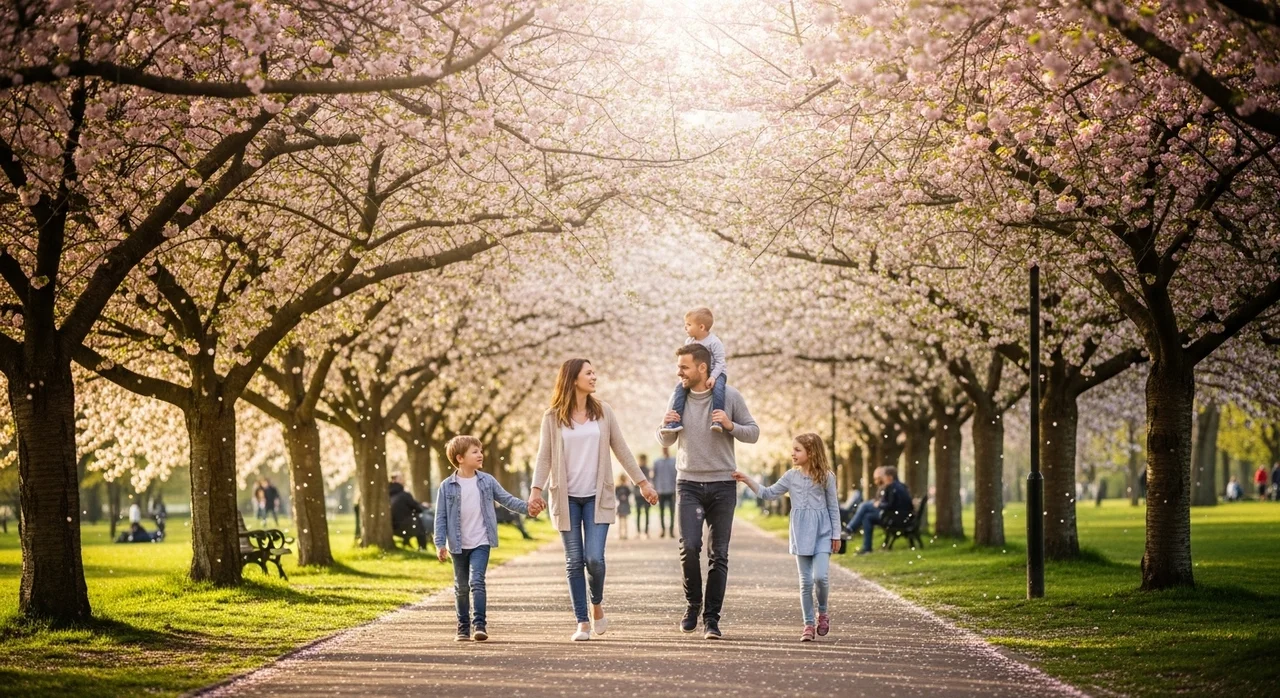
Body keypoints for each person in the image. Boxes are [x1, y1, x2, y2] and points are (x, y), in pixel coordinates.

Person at [530, 358, 658, 642]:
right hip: (566, 498)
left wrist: (643, 483)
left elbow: (621, 449)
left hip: (597, 497)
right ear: (573, 378)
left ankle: (596, 604)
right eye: (588, 373)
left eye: (594, 372)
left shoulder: (603, 412)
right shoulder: (552, 417)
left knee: (594, 559)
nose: (594, 377)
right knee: (574, 561)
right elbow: (544, 456)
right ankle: (582, 622)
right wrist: (536, 490)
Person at [657, 343, 759, 640]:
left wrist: (730, 425)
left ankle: (712, 618)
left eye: (684, 367)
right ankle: (693, 604)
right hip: (688, 483)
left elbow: (753, 432)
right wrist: (663, 427)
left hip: (723, 485)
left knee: (719, 553)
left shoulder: (730, 397)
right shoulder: (678, 397)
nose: (679, 372)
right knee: (689, 546)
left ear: (702, 368)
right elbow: (666, 439)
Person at [734, 433, 841, 642]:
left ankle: (823, 612)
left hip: (823, 532)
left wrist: (836, 534)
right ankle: (808, 624)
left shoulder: (827, 477)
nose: (793, 454)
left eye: (797, 450)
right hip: (801, 533)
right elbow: (767, 493)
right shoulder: (791, 476)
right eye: (793, 449)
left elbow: (833, 507)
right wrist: (747, 479)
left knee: (820, 577)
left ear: (811, 452)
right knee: (806, 582)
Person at [434, 435, 530, 642]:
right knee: (461, 587)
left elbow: (507, 500)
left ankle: (479, 624)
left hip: (481, 541)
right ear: (460, 458)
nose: (480, 455)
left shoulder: (487, 481)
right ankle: (463, 627)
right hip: (457, 545)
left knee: (477, 581)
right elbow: (440, 517)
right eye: (475, 452)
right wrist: (440, 544)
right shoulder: (446, 486)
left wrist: (528, 508)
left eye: (480, 451)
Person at [660, 307, 730, 434]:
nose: (685, 328)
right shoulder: (689, 341)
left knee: (718, 389)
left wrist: (713, 377)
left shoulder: (714, 342)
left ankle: (717, 420)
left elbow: (720, 363)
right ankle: (675, 421)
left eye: (688, 325)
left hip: (717, 373)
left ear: (701, 327)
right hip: (699, 373)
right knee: (679, 389)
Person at [843, 465, 913, 555]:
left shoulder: (893, 487)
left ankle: (849, 530)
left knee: (865, 506)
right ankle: (867, 548)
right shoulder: (900, 486)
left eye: (884, 477)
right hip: (898, 517)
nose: (883, 479)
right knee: (867, 517)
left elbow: (890, 505)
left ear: (890, 477)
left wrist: (879, 504)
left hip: (894, 518)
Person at [389, 480, 428, 550]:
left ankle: (406, 543)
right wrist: (423, 507)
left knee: (408, 521)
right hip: (406, 526)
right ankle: (422, 548)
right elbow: (417, 508)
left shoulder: (389, 498)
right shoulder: (404, 495)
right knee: (418, 523)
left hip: (394, 528)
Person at [652, 446, 678, 538]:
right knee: (661, 512)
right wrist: (655, 489)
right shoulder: (657, 462)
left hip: (671, 490)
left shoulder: (674, 461)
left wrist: (676, 489)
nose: (665, 450)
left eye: (666, 448)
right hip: (661, 490)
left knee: (672, 512)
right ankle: (662, 530)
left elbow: (677, 475)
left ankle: (671, 531)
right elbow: (654, 477)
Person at [634, 454, 652, 538]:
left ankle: (646, 531)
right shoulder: (636, 469)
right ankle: (638, 531)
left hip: (647, 495)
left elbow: (649, 480)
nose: (642, 461)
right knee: (638, 514)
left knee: (647, 513)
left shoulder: (647, 469)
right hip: (637, 495)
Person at [615, 475, 633, 541]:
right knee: (624, 521)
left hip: (621, 505)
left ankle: (621, 534)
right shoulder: (625, 487)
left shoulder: (618, 487)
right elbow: (630, 493)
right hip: (624, 504)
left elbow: (616, 495)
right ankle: (624, 534)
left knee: (621, 521)